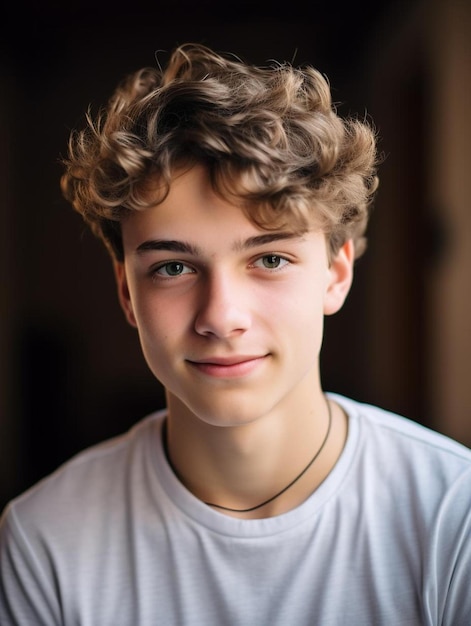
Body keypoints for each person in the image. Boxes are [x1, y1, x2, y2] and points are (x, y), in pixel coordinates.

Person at [1, 42, 470, 626]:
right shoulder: (43, 540)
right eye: (173, 267)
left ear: (336, 273)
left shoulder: (454, 519)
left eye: (269, 259)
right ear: (127, 293)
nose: (221, 317)